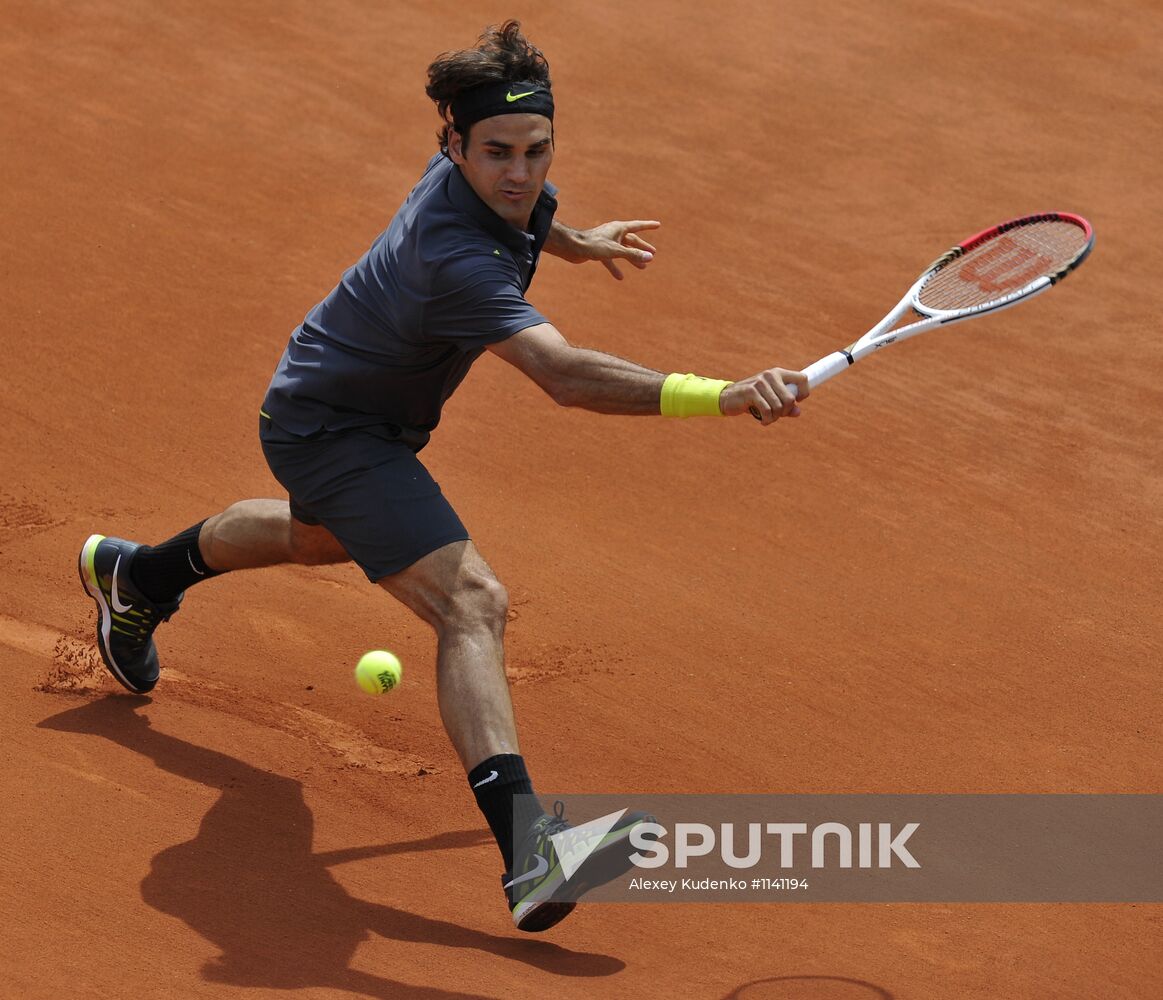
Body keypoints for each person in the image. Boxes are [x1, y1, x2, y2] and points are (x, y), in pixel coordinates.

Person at [77, 20, 808, 933]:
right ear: (451, 145)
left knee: (319, 541)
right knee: (471, 602)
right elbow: (565, 376)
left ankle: (136, 576)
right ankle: (532, 855)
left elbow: (530, 207)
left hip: (335, 401)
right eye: (496, 152)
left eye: (537, 150)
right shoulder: (455, 259)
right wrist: (725, 394)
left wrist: (576, 240)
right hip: (333, 429)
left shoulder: (483, 183)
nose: (519, 172)